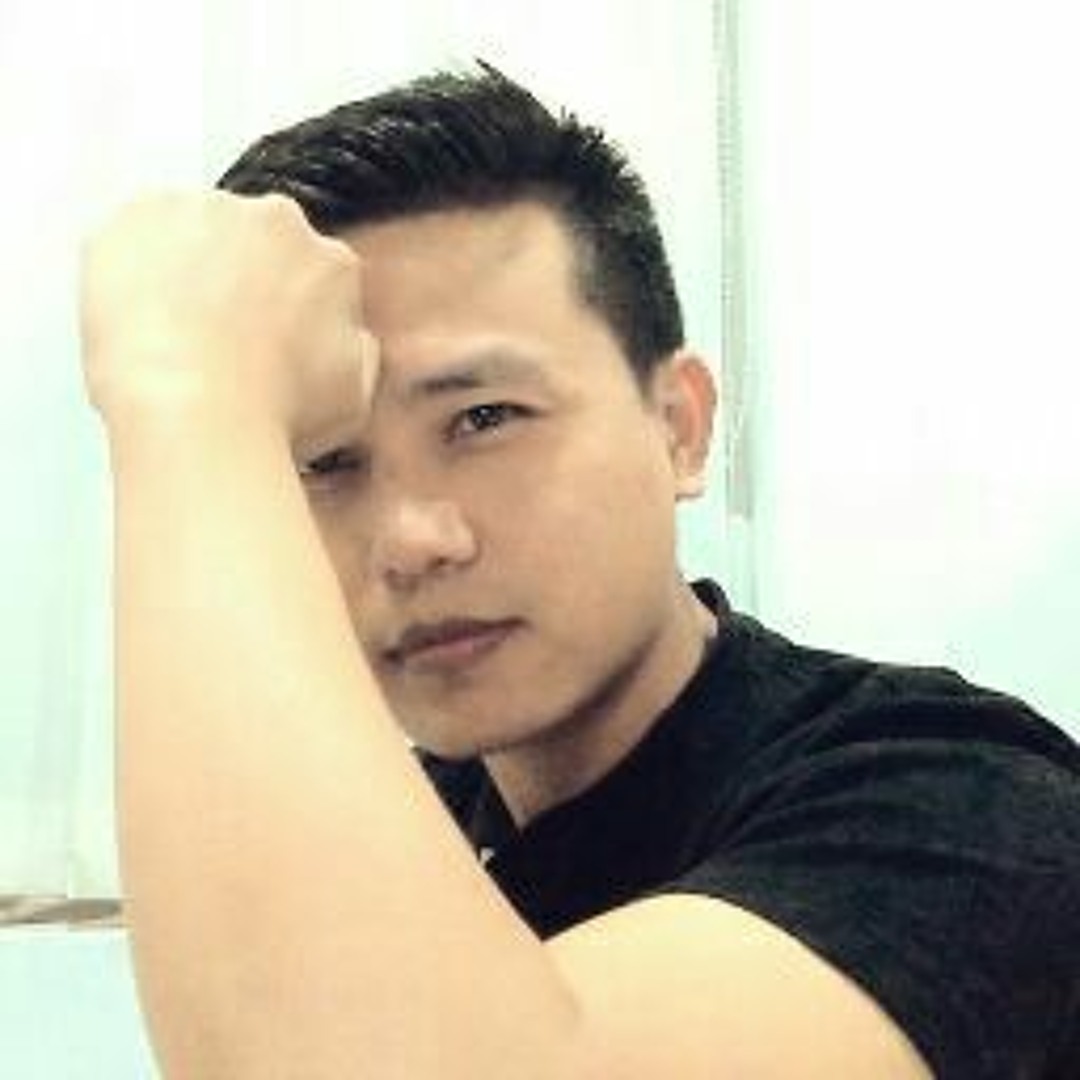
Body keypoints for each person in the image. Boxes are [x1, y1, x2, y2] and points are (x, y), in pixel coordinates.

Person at [79, 66, 1079, 1079]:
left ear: (678, 427)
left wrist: (186, 394)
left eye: (484, 419)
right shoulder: (429, 826)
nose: (413, 539)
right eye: (328, 462)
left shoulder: (959, 806)